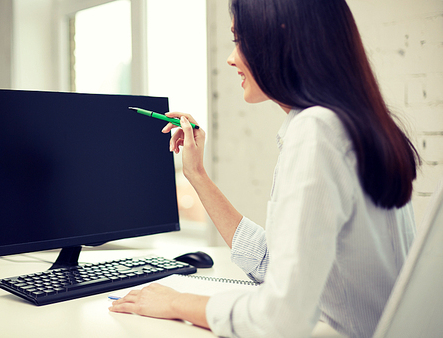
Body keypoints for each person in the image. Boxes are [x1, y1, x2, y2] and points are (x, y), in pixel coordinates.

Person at [109, 0, 420, 337]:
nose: (231, 58)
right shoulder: (353, 123)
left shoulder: (317, 130)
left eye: (240, 40)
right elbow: (276, 265)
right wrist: (197, 175)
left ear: (279, 39)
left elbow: (279, 318)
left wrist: (175, 303)